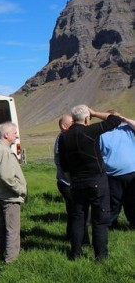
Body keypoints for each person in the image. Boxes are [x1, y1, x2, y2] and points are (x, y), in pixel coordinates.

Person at [59, 105, 122, 261]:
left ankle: (75, 253)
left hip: (76, 182)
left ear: (72, 119)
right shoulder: (91, 130)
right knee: (99, 221)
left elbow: (63, 164)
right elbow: (115, 120)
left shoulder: (64, 137)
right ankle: (100, 256)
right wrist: (94, 112)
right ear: (87, 119)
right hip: (96, 181)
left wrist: (72, 179)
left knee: (78, 219)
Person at [0, 122, 27, 263]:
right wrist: (20, 190)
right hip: (9, 196)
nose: (17, 135)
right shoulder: (4, 151)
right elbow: (6, 176)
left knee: (2, 226)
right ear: (6, 134)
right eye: (14, 132)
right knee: (13, 230)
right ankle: (11, 260)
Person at [54, 114, 90, 244]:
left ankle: (70, 236)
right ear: (64, 126)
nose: (75, 124)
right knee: (79, 213)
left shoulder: (66, 138)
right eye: (72, 122)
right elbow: (65, 162)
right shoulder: (63, 139)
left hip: (68, 181)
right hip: (68, 182)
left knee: (73, 211)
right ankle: (82, 241)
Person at [100, 112, 135, 228]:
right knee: (113, 202)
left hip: (132, 173)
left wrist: (124, 118)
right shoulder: (102, 134)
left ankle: (133, 223)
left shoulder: (127, 129)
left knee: (132, 201)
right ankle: (111, 225)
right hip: (112, 175)